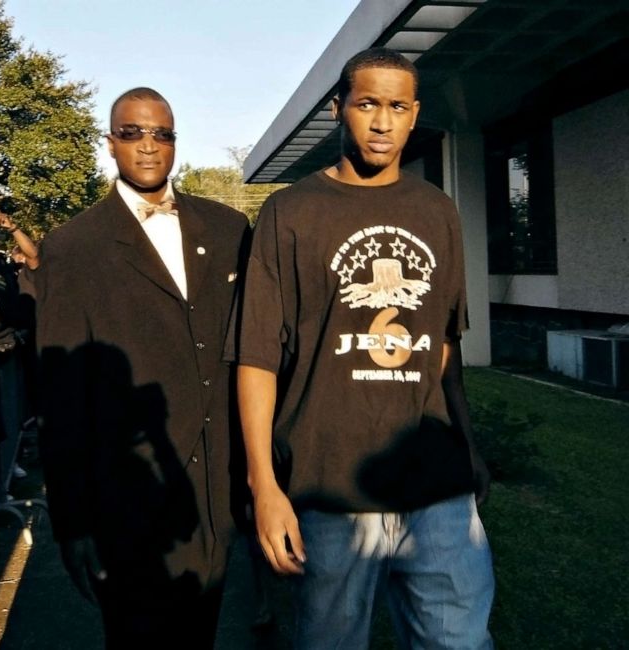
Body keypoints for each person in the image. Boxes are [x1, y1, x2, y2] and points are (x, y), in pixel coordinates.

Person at [231, 48, 494, 648]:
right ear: (337, 110)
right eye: (367, 104)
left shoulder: (438, 211)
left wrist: (469, 446)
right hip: (330, 488)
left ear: (415, 113)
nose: (382, 122)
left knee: (460, 641)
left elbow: (444, 350)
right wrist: (265, 486)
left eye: (397, 107)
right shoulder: (289, 212)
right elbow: (256, 357)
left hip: (436, 488)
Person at [36, 87, 250, 648]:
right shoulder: (72, 247)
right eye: (132, 132)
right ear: (110, 143)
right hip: (127, 501)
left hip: (219, 490)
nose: (148, 145)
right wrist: (73, 523)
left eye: (162, 133)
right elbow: (61, 398)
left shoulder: (228, 231)